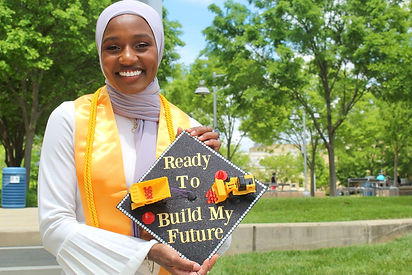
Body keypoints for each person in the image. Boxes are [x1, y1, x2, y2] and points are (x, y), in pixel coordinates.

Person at [37, 1, 230, 274]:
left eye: (141, 45)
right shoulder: (70, 119)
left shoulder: (187, 129)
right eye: (113, 47)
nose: (127, 58)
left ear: (159, 49)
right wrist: (145, 252)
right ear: (100, 54)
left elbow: (215, 236)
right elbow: (54, 227)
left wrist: (213, 179)